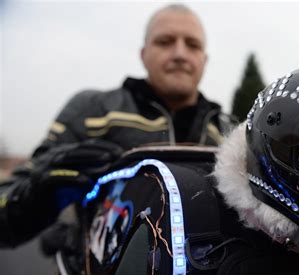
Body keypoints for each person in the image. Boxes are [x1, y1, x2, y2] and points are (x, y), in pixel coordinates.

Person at [0, 3, 235, 248]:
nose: (179, 53)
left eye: (192, 45)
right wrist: (38, 197)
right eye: (165, 42)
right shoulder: (92, 109)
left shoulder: (228, 132)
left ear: (204, 59)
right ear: (143, 54)